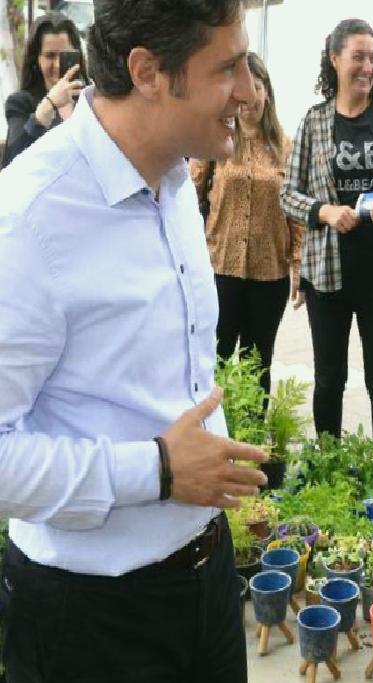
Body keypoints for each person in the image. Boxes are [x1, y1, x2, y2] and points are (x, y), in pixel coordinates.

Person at [0, 1, 268, 681]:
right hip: (91, 623)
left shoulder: (174, 181)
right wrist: (158, 470)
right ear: (148, 72)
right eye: (227, 68)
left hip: (207, 580)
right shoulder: (29, 217)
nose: (248, 90)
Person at [280, 18, 373, 448]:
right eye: (358, 57)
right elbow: (287, 194)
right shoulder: (314, 122)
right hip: (328, 277)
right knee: (329, 380)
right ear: (335, 59)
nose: (367, 67)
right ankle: (329, 464)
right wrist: (324, 211)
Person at [191, 52, 302, 401]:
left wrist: (298, 266)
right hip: (221, 268)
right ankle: (213, 426)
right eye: (245, 89)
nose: (251, 98)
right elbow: (190, 194)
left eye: (258, 88)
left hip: (269, 275)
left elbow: (297, 214)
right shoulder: (215, 141)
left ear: (267, 92)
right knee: (218, 357)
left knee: (258, 363)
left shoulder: (286, 148)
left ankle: (252, 432)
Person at [2, 12, 87, 167]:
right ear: (37, 59)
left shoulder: (91, 100)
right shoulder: (20, 103)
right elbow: (12, 162)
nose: (57, 64)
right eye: (50, 56)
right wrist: (47, 107)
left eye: (64, 55)